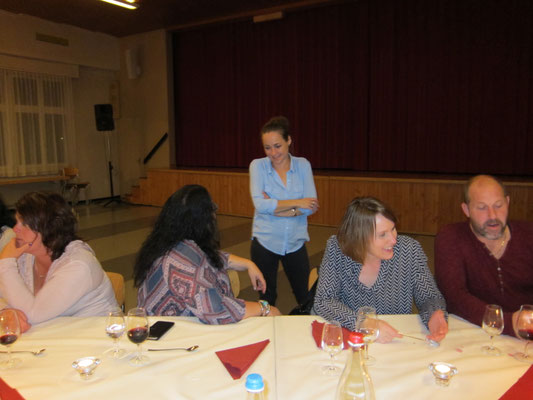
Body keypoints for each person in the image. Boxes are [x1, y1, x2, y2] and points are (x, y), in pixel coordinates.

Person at [134, 184, 281, 324]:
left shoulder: (173, 241)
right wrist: (264, 308)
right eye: (212, 209)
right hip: (167, 334)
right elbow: (217, 311)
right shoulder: (178, 263)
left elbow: (210, 256)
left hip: (180, 325)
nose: (214, 215)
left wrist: (248, 264)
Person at [313, 197, 448, 343]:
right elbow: (324, 301)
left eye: (393, 229)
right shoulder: (337, 249)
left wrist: (435, 313)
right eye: (382, 235)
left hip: (394, 339)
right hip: (354, 339)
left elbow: (429, 296)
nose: (393, 240)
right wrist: (364, 324)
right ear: (359, 237)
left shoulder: (409, 250)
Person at [0, 191, 118, 328]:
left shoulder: (79, 264)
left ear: (49, 229)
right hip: (52, 334)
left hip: (95, 334)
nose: (15, 229)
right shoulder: (25, 256)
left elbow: (34, 315)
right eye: (17, 221)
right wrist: (5, 310)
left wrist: (5, 262)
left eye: (24, 224)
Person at [435, 175, 533, 336]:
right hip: (473, 331)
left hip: (528, 333)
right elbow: (455, 298)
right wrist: (509, 323)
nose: (492, 215)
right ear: (466, 210)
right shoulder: (451, 238)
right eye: (482, 208)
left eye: (498, 205)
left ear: (508, 202)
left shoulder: (529, 235)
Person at [249, 116, 319, 306]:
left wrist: (275, 208)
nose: (273, 153)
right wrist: (298, 202)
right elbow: (260, 205)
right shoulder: (257, 166)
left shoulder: (303, 165)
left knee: (306, 297)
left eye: (277, 146)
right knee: (267, 299)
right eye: (267, 147)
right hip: (265, 243)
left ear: (289, 140)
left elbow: (311, 207)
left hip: (295, 242)